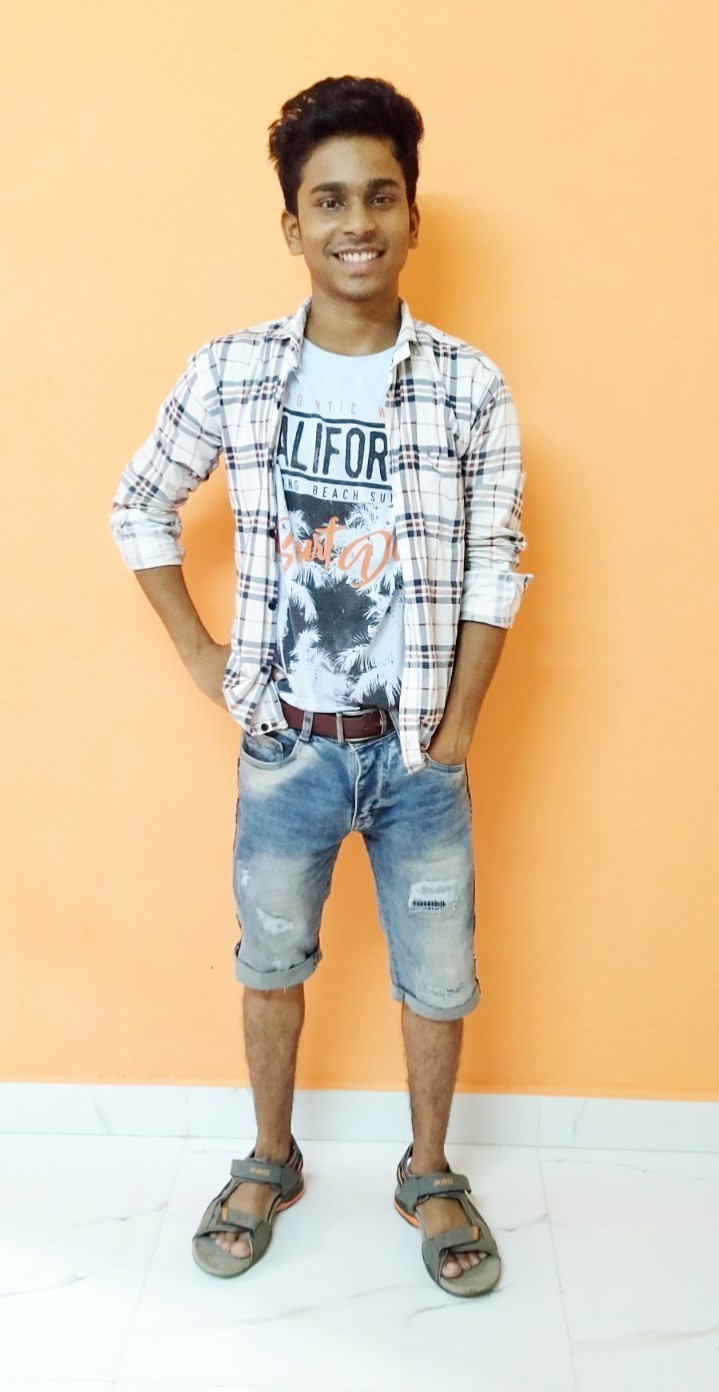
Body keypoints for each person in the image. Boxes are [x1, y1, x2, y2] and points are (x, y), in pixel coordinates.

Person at [110, 75, 531, 1298]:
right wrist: (199, 656)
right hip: (286, 745)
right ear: (292, 223)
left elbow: (495, 564)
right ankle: (269, 1157)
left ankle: (430, 1172)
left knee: (437, 978)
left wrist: (456, 727)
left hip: (415, 755)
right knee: (270, 963)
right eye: (329, 200)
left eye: (379, 196)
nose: (358, 221)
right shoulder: (235, 373)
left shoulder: (467, 385)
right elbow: (138, 504)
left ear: (412, 215)